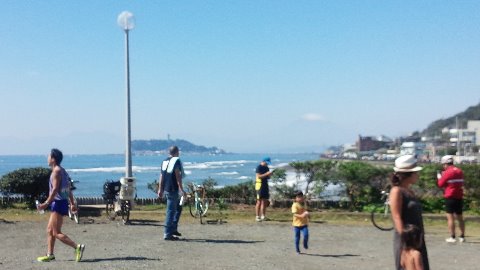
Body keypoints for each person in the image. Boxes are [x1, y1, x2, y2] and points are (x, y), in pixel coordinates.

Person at [37, 148, 85, 262]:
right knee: (49, 230)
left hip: (57, 204)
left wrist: (45, 204)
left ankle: (77, 247)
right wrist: (72, 203)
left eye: (49, 156)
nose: (47, 158)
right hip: (61, 203)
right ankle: (50, 254)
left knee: (56, 232)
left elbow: (54, 190)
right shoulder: (62, 170)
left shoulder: (56, 172)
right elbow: (68, 188)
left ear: (53, 159)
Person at [390, 155, 429, 270]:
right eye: (415, 173)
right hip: (407, 238)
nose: (417, 175)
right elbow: (396, 217)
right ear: (408, 175)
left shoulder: (409, 191)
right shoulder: (397, 191)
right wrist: (406, 242)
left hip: (416, 237)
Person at [158, 146, 186, 240]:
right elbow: (178, 176)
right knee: (171, 210)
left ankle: (173, 228)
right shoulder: (176, 161)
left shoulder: (164, 161)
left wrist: (160, 189)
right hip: (173, 188)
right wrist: (181, 189)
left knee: (178, 207)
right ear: (177, 152)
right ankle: (167, 233)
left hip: (166, 187)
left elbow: (161, 176)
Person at [437, 155, 465, 243]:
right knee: (460, 217)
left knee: (450, 217)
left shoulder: (447, 172)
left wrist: (439, 177)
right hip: (459, 196)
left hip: (450, 196)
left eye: (443, 165)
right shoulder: (459, 171)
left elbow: (440, 184)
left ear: (445, 164)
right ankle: (462, 236)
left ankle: (452, 237)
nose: (443, 167)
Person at [255, 156, 273, 222]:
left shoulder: (267, 168)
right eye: (266, 163)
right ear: (264, 161)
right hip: (259, 185)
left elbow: (268, 177)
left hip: (265, 184)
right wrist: (266, 174)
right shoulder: (259, 167)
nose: (267, 164)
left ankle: (263, 216)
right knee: (259, 201)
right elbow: (258, 176)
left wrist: (270, 175)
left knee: (264, 201)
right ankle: (257, 216)